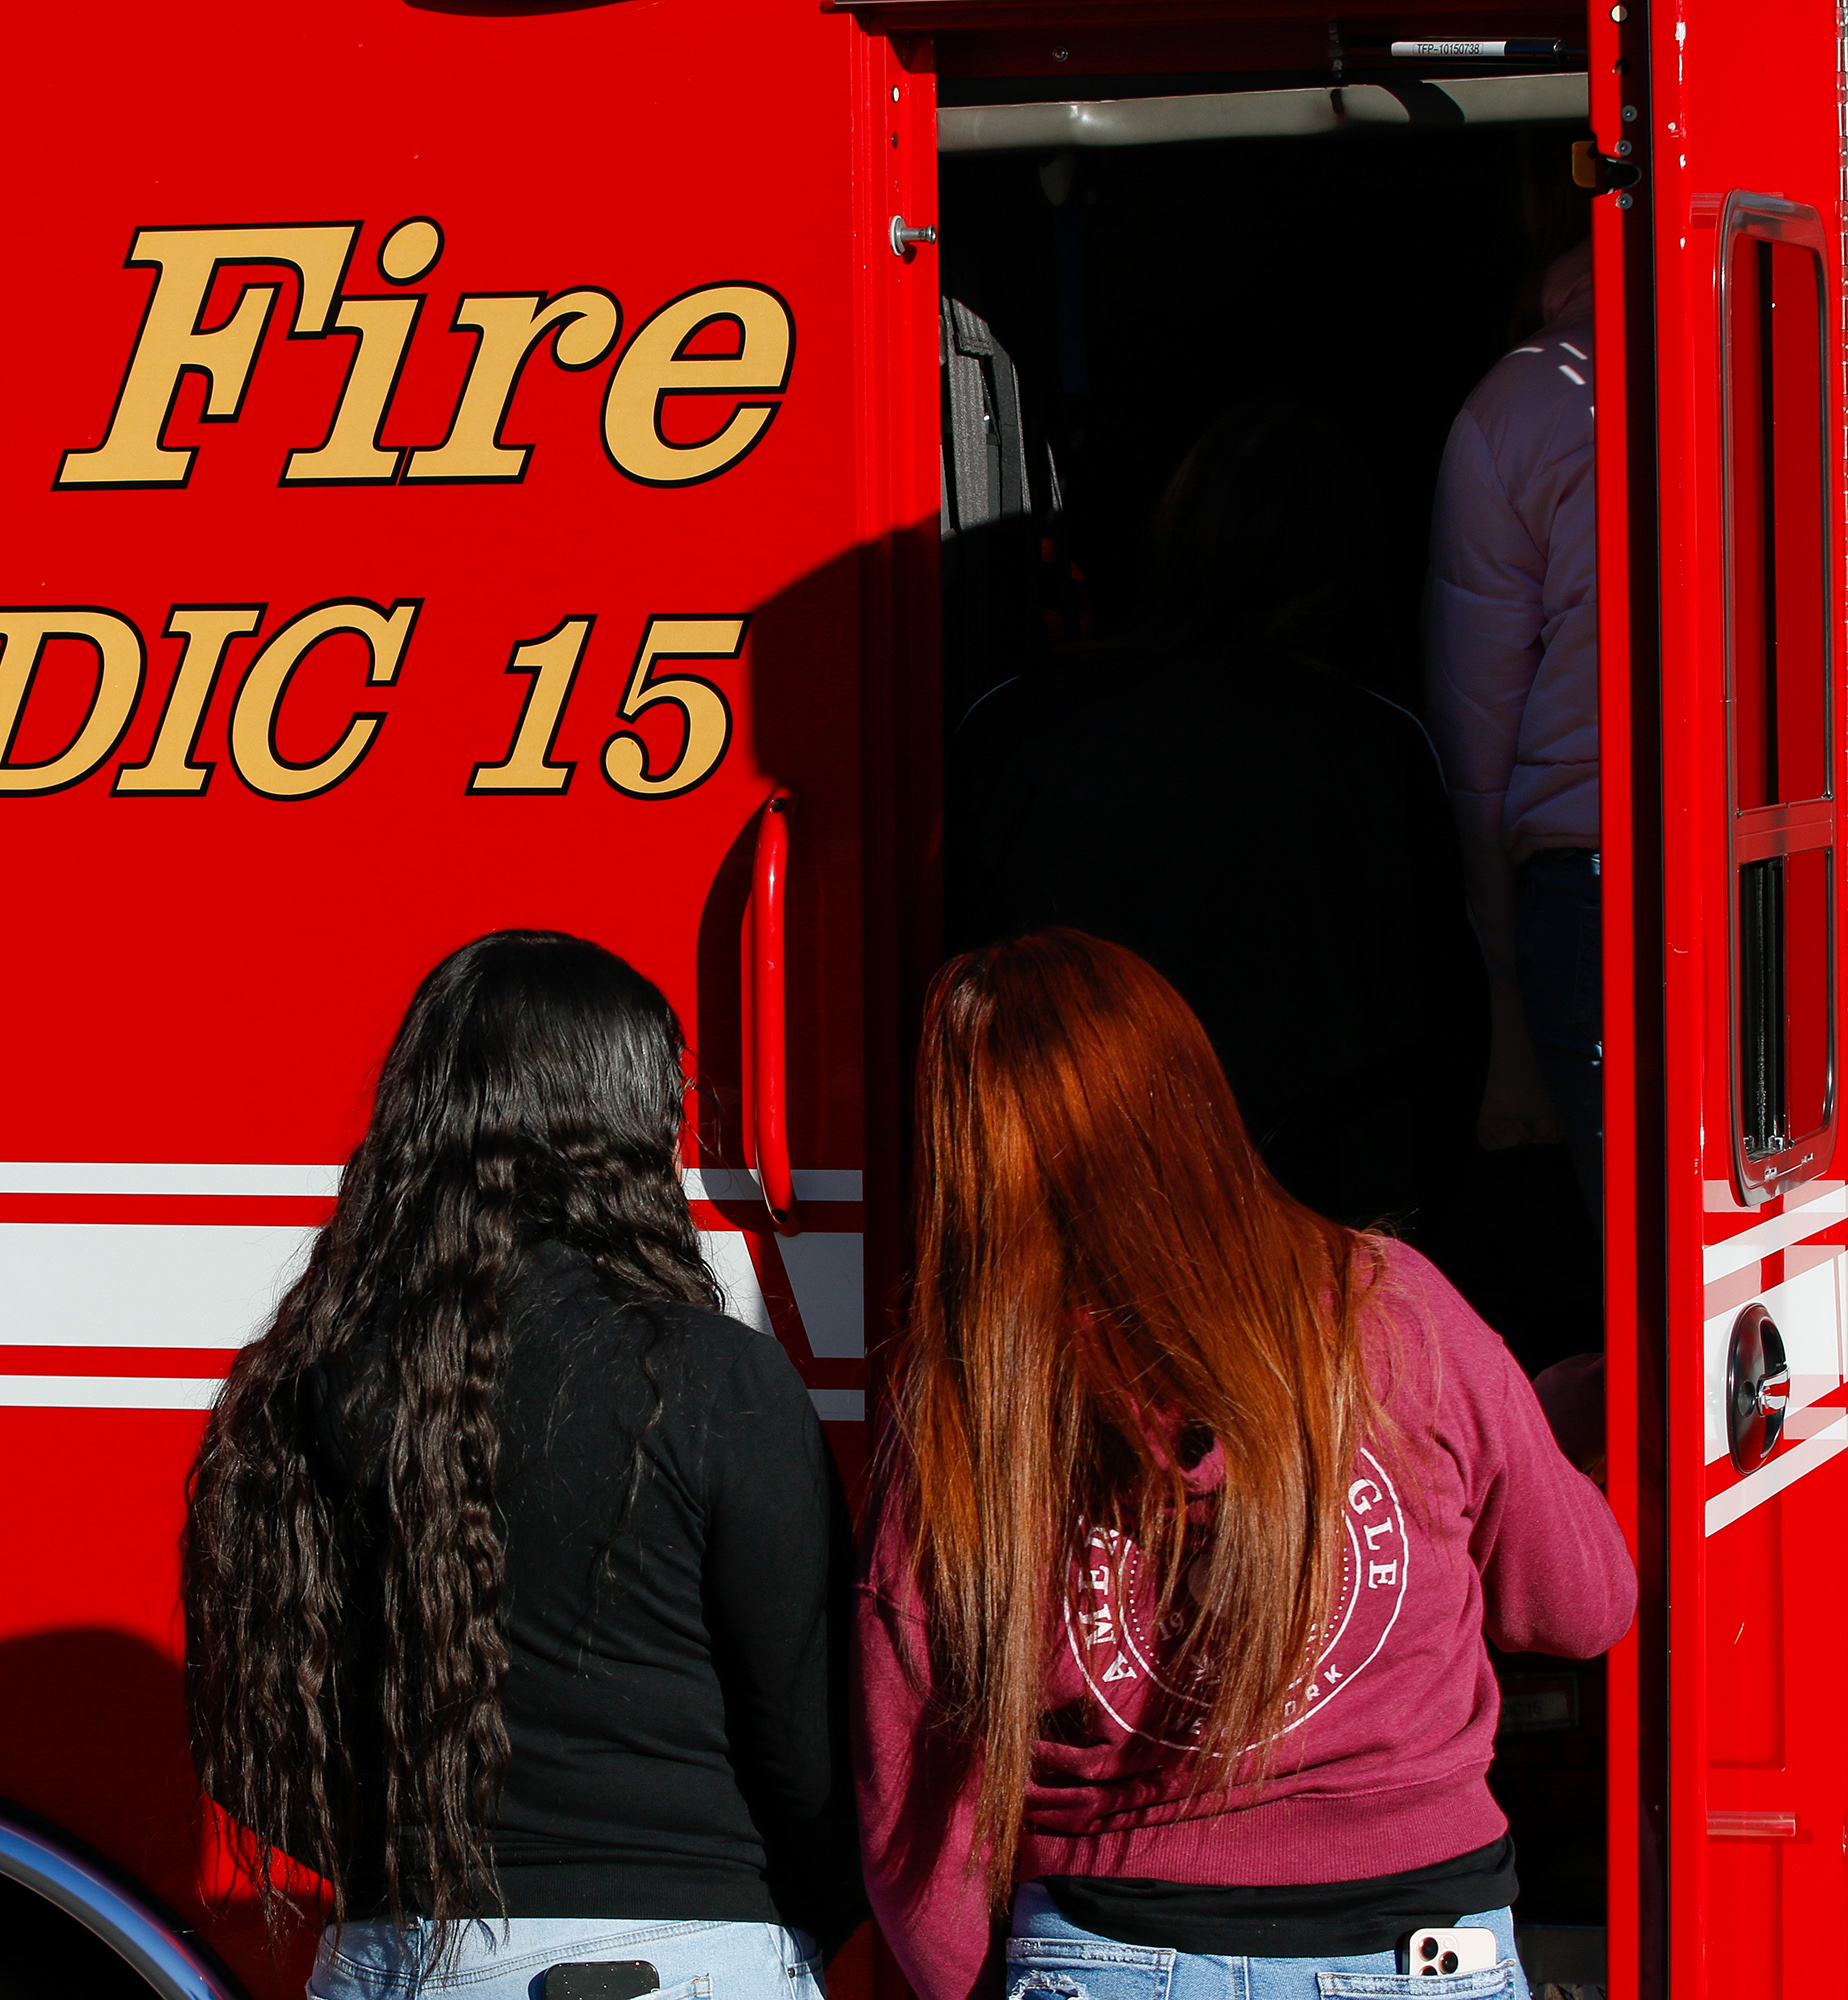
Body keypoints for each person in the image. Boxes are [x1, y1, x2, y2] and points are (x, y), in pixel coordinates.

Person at [855, 930, 1634, 2000]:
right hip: (1419, 1945)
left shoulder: (969, 1395)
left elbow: (914, 1801)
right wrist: (1534, 1419)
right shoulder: (1395, 1308)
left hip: (1105, 1946)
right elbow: (1580, 1604)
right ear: (1191, 1097)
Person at [182, 930, 856, 2000]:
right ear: (629, 1125)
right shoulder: (718, 1378)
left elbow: (255, 1741)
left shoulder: (312, 1381)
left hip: (396, 1955)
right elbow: (811, 1744)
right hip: (675, 1951)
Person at [948, 403, 1482, 1229]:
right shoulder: (1376, 742)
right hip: (1309, 1222)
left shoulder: (1012, 723)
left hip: (1062, 1201)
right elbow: (1438, 1015)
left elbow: (951, 972)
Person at [1423, 239, 1602, 1217]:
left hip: (1593, 873)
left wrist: (1502, 997)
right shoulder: (1798, 334)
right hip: (1791, 855)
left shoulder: (1516, 399)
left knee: (1638, 1261)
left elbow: (1477, 733)